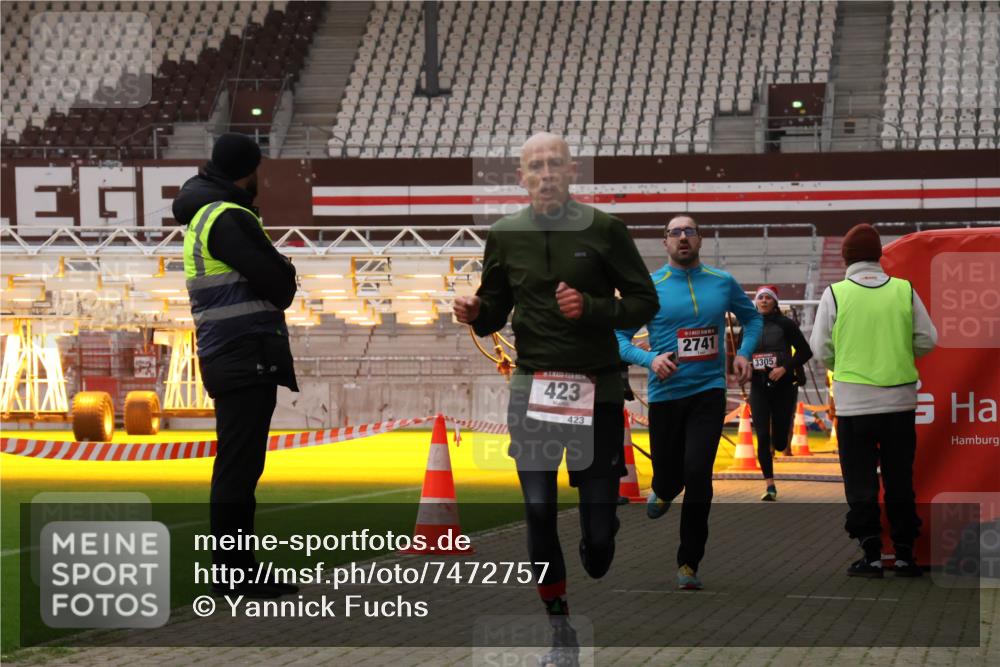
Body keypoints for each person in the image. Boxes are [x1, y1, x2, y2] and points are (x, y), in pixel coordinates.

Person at [453, 133, 658, 661]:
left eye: (555, 164)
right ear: (520, 178)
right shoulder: (504, 234)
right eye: (534, 166)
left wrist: (590, 307)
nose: (545, 174)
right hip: (532, 386)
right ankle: (560, 629)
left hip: (597, 388)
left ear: (571, 172)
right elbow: (497, 304)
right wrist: (479, 313)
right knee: (539, 510)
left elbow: (643, 302)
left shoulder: (606, 230)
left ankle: (601, 530)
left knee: (598, 544)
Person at [173, 133, 299, 598]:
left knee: (238, 466)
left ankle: (236, 571)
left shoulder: (205, 213)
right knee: (239, 469)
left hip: (228, 351)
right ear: (249, 171)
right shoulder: (228, 217)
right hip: (244, 352)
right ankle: (235, 576)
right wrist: (284, 268)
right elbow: (279, 284)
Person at [616, 215, 762, 590]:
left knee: (698, 473)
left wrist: (744, 352)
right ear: (665, 243)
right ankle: (664, 488)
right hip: (666, 396)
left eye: (690, 231)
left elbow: (753, 320)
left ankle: (688, 563)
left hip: (709, 393)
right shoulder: (650, 288)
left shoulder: (722, 282)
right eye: (675, 232)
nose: (683, 237)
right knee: (670, 475)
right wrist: (651, 360)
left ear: (700, 240)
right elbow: (618, 337)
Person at [810, 223, 937, 578]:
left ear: (846, 257)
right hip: (899, 402)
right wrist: (898, 352)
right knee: (899, 478)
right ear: (879, 254)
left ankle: (871, 553)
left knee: (860, 479)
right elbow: (929, 339)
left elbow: (821, 349)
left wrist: (844, 364)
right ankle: (905, 553)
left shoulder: (835, 293)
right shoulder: (903, 290)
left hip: (854, 404)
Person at [747, 285, 813, 501]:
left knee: (780, 441)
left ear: (775, 302)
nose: (764, 301)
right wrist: (745, 367)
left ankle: (781, 440)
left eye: (768, 298)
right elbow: (741, 355)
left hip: (783, 386)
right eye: (760, 298)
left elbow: (805, 351)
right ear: (756, 302)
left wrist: (784, 368)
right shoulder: (750, 325)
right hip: (758, 385)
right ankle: (770, 485)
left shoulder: (786, 324)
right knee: (762, 435)